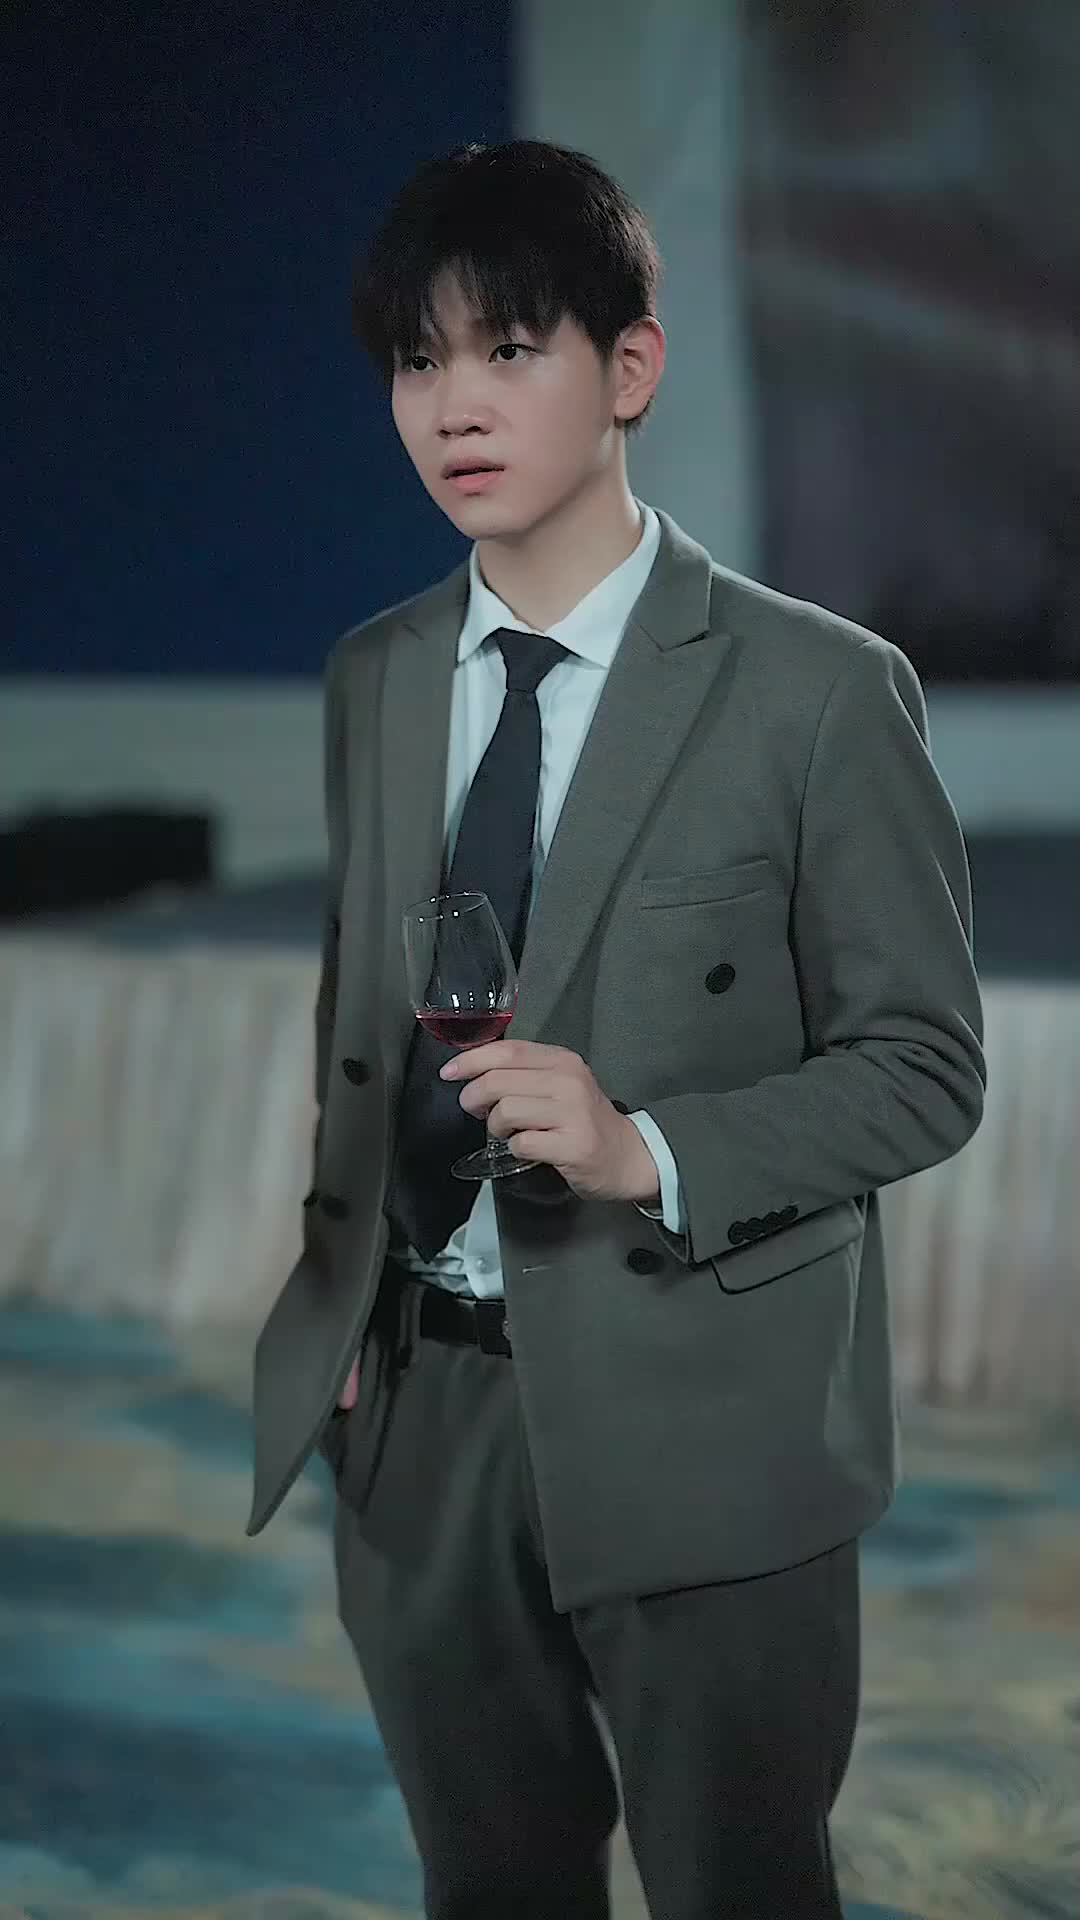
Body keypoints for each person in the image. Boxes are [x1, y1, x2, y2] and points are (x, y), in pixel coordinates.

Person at [247, 139, 986, 1920]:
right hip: (423, 1415)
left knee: (739, 1885)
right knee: (490, 1881)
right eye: (416, 362)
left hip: (704, 1417)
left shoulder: (817, 689)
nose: (453, 405)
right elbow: (363, 1023)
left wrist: (645, 1144)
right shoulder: (376, 675)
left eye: (508, 349)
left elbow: (926, 1066)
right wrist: (344, 1304)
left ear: (630, 367)